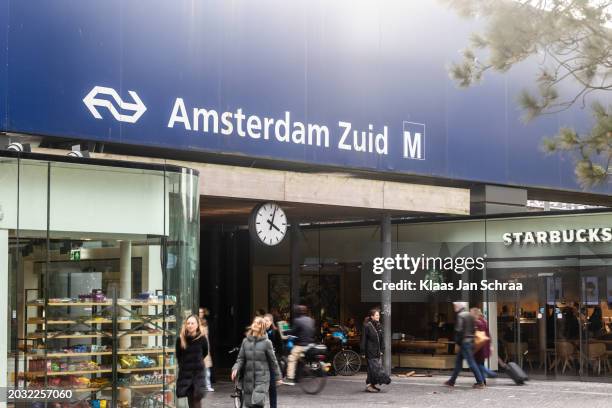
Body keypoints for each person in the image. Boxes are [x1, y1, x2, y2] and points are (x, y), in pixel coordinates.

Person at [232, 316, 282, 408]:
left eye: (258, 323)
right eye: (254, 322)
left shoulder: (267, 343)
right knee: (250, 404)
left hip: (262, 379)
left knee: (257, 402)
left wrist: (278, 377)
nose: (255, 324)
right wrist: (235, 368)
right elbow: (240, 359)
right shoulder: (245, 341)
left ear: (262, 327)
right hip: (248, 378)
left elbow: (273, 361)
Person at [444, 302, 485, 389]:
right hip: (470, 341)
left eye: (455, 305)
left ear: (459, 306)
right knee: (458, 363)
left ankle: (480, 382)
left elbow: (459, 330)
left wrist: (458, 342)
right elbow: (474, 329)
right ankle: (451, 381)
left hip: (464, 342)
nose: (454, 307)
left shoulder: (460, 316)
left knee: (471, 362)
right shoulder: (469, 315)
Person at [176, 315, 208, 408]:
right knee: (191, 400)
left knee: (197, 398)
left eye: (192, 323)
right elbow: (179, 356)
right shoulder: (181, 339)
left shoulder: (202, 339)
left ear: (197, 325)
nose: (190, 325)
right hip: (187, 374)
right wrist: (184, 366)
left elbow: (204, 353)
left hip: (198, 374)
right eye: (188, 323)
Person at [282, 305, 315, 386]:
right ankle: (298, 376)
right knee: (300, 358)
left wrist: (285, 332)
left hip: (301, 344)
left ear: (297, 312)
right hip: (310, 344)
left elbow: (293, 331)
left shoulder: (297, 320)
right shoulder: (311, 320)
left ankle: (290, 378)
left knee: (292, 358)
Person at [361, 307, 390, 393]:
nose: (378, 317)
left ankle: (371, 385)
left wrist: (382, 349)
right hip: (370, 351)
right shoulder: (367, 326)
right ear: (372, 316)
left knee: (373, 369)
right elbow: (363, 340)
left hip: (377, 351)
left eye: (378, 315)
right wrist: (363, 351)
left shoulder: (378, 325)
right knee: (374, 369)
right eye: (376, 315)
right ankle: (370, 385)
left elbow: (381, 339)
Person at [470, 307, 497, 384]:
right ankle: (482, 381)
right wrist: (490, 345)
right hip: (484, 346)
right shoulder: (484, 322)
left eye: (471, 313)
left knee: (476, 365)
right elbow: (488, 334)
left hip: (478, 347)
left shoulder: (477, 323)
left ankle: (489, 374)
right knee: (480, 364)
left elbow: (475, 336)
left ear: (474, 314)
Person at [264, 313, 283, 408]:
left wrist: (276, 355)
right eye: (264, 320)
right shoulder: (260, 331)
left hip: (271, 360)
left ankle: (273, 406)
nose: (265, 322)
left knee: (272, 386)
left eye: (267, 321)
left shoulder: (275, 332)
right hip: (262, 361)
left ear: (271, 322)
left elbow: (280, 347)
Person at [198, 308, 214, 392]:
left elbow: (206, 336)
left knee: (207, 369)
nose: (201, 314)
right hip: (198, 346)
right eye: (199, 312)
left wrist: (208, 347)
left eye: (202, 312)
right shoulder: (195, 322)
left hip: (205, 345)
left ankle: (208, 385)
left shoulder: (205, 322)